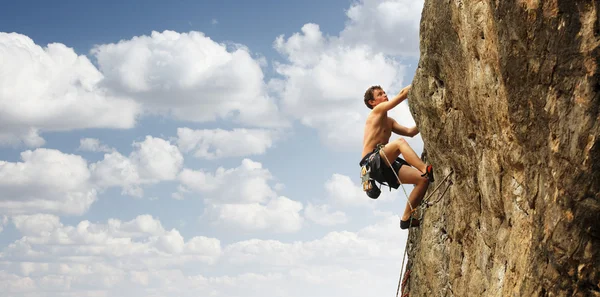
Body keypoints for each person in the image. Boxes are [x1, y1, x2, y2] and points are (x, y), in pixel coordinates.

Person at [359, 84, 434, 229]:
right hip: (371, 162)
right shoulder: (377, 111)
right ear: (372, 102)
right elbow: (401, 95)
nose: (385, 95)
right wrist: (416, 81)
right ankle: (425, 168)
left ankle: (406, 218)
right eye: (380, 94)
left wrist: (426, 118)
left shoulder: (389, 121)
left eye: (384, 92)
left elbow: (411, 132)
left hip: (386, 162)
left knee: (422, 180)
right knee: (400, 143)